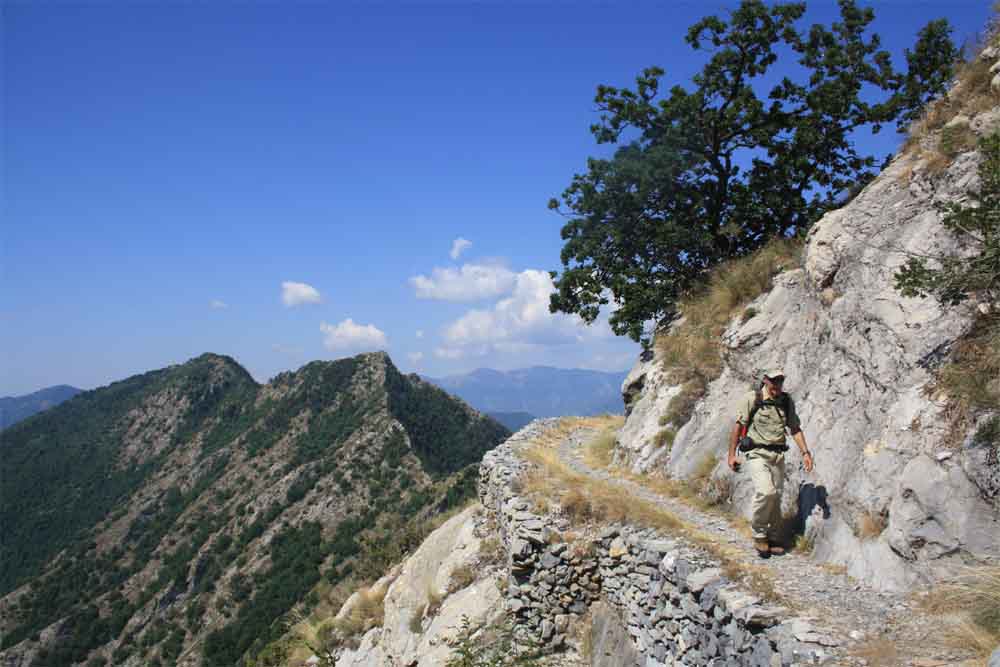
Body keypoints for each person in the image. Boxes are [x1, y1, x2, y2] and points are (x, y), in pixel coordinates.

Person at [727, 370, 814, 558]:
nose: (777, 385)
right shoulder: (753, 398)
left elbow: (795, 429)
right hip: (756, 453)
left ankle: (773, 537)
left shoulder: (786, 401)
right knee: (766, 491)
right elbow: (738, 426)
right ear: (766, 380)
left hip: (778, 456)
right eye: (773, 381)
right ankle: (759, 534)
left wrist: (805, 452)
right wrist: (732, 455)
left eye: (780, 381)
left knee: (776, 497)